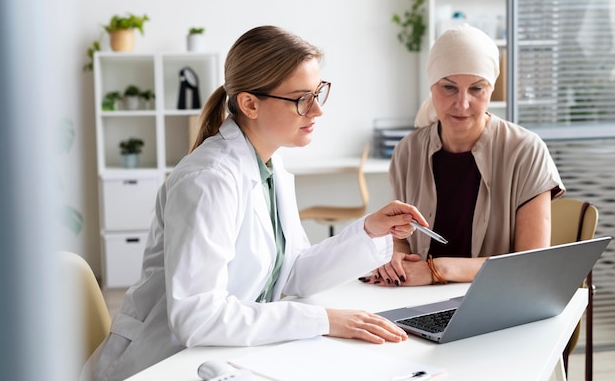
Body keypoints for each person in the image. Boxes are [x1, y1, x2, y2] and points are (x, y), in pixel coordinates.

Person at [81, 25, 429, 381]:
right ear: (249, 104)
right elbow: (197, 317)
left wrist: (370, 230)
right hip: (166, 363)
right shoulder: (209, 178)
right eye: (301, 98)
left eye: (318, 93)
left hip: (227, 355)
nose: (317, 111)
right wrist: (324, 321)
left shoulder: (269, 163)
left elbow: (292, 273)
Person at [361, 24, 565, 287]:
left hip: (496, 299)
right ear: (432, 86)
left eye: (477, 89)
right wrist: (396, 258)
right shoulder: (408, 151)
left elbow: (530, 263)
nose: (462, 103)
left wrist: (437, 268)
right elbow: (402, 237)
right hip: (417, 299)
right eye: (449, 87)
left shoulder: (526, 151)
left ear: (491, 89)